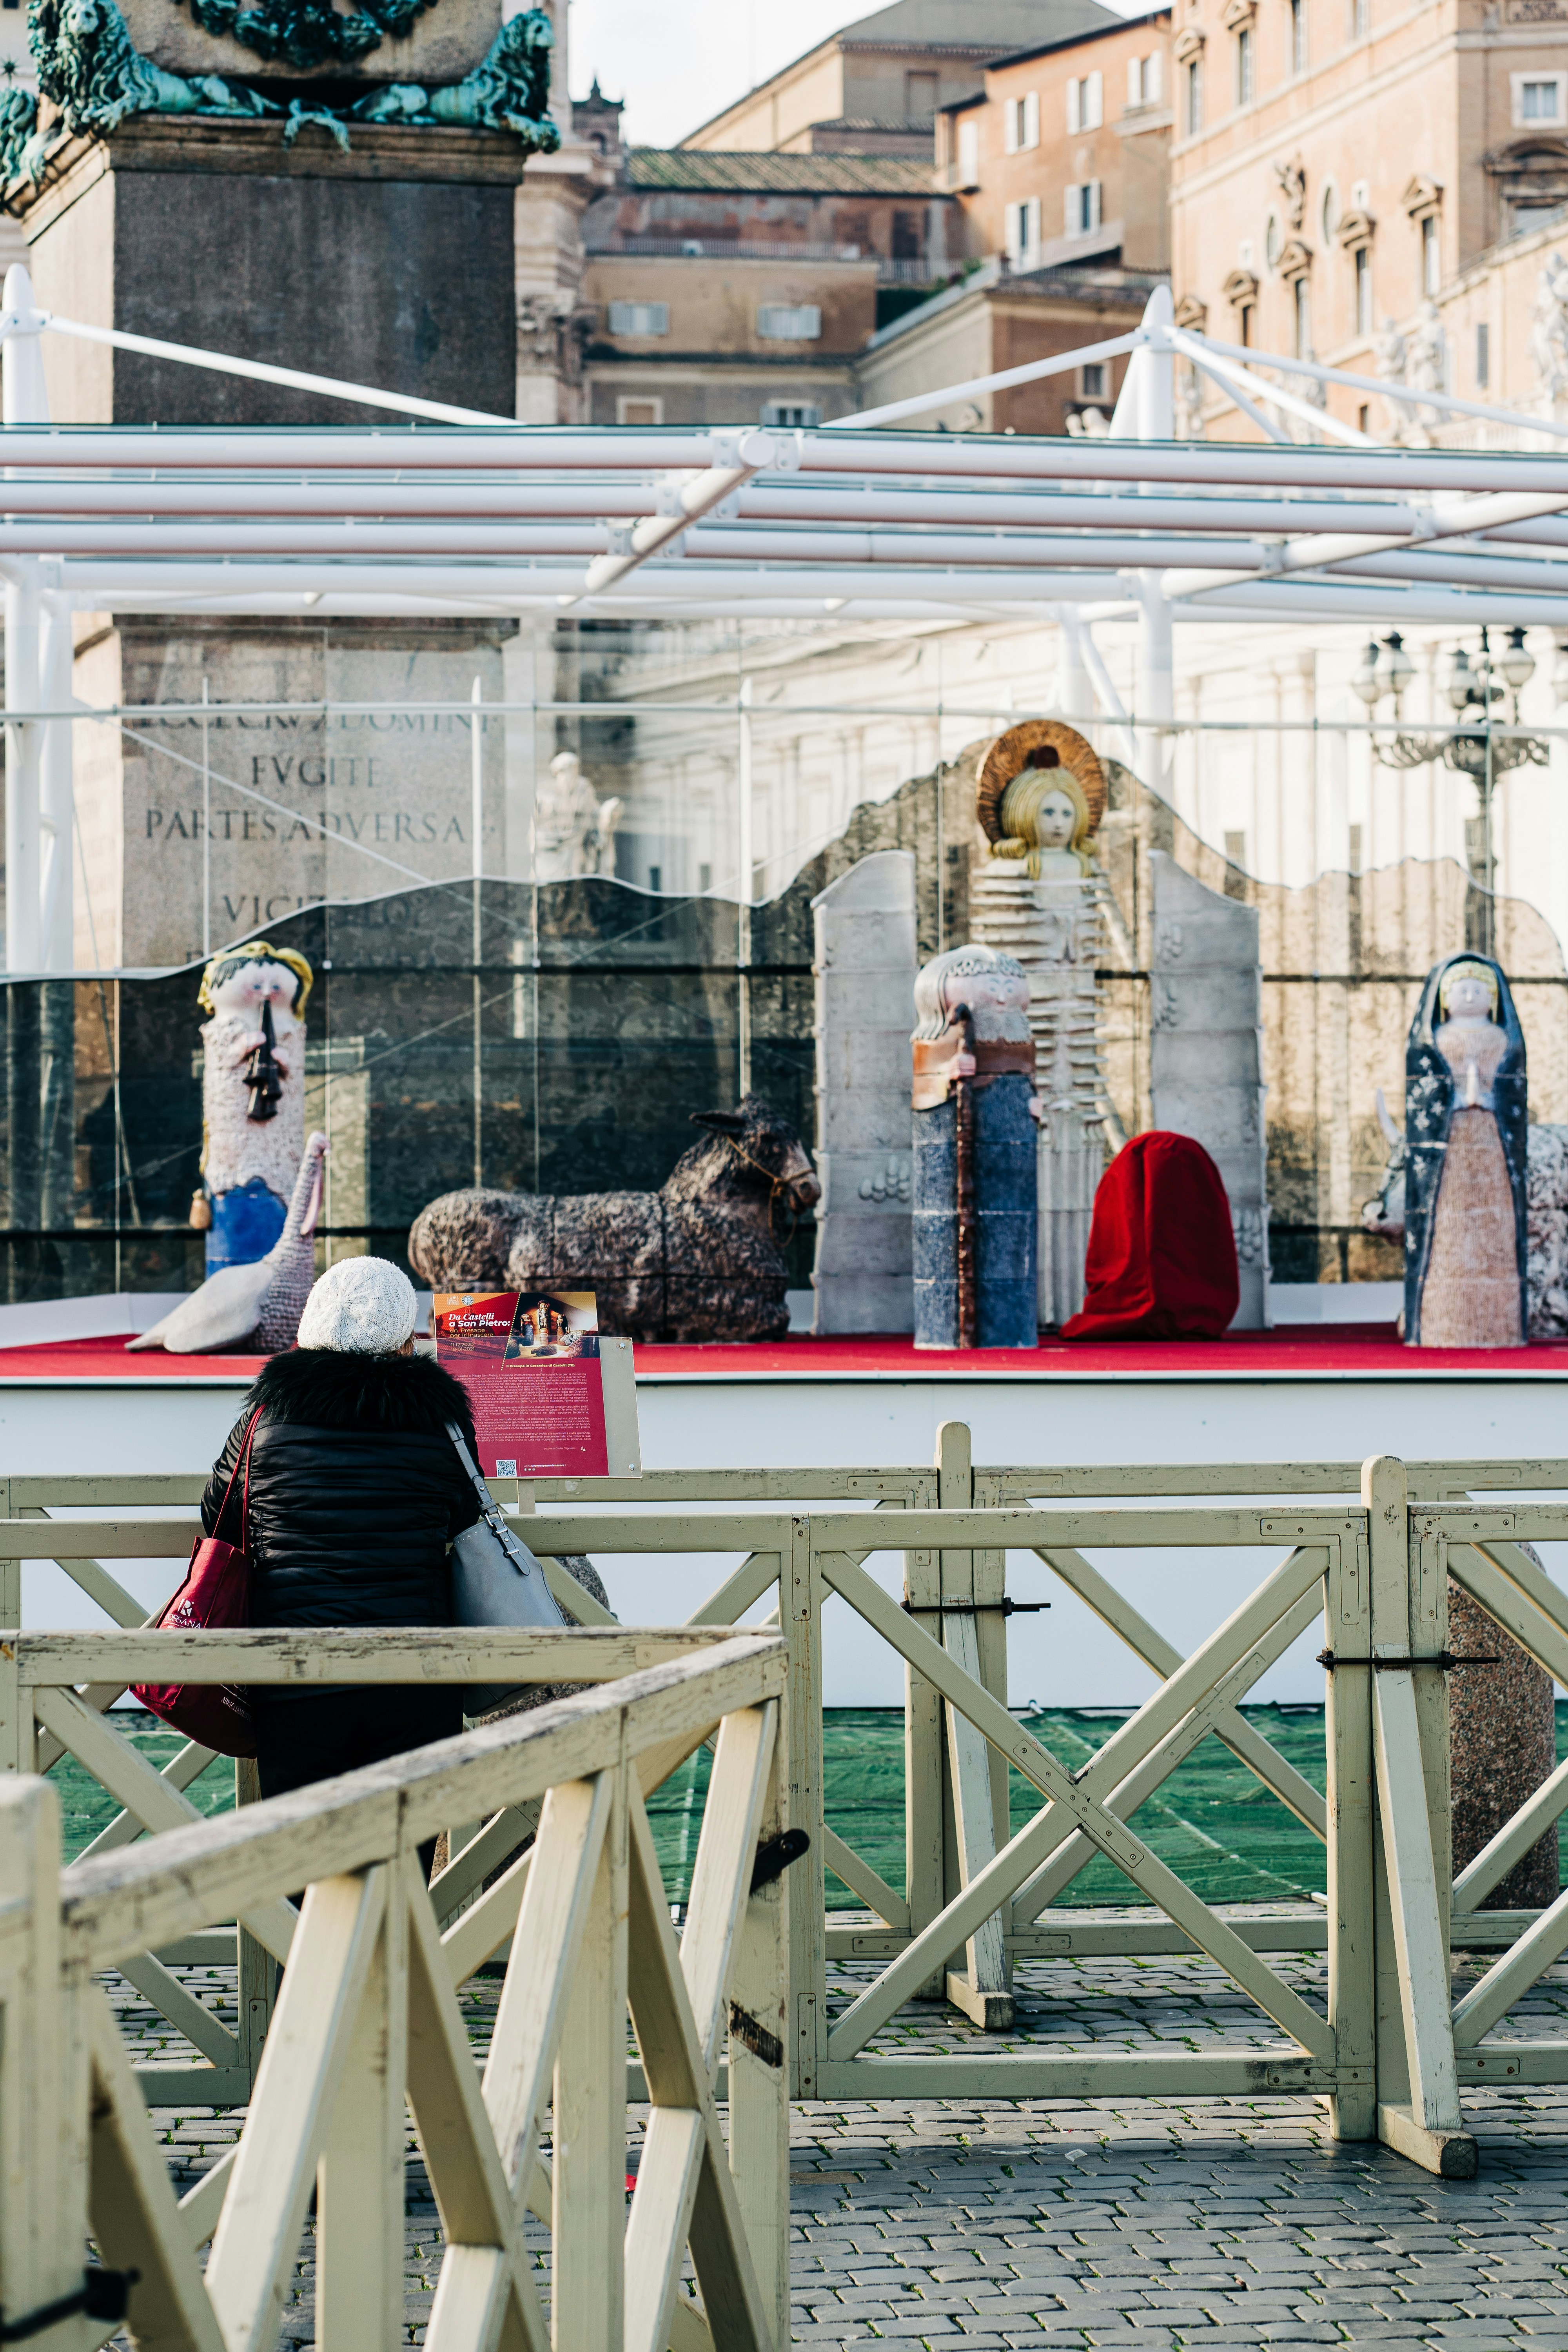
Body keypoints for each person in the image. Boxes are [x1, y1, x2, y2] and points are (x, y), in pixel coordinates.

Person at [200, 1253, 481, 1802]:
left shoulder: (262, 1421)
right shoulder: (443, 1423)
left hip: (296, 1674)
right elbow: (465, 1520)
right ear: (405, 1338)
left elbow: (219, 1518)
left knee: (307, 1856)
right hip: (416, 1672)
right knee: (405, 1853)